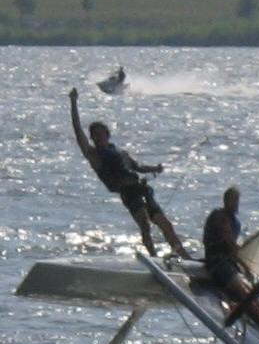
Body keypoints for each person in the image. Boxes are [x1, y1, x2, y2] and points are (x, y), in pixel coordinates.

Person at [69, 87, 188, 258]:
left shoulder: (120, 152)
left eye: (101, 134)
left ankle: (184, 255)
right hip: (128, 193)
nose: (99, 138)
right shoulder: (93, 155)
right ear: (92, 138)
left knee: (165, 224)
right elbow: (77, 129)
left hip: (141, 188)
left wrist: (155, 168)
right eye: (95, 136)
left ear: (107, 135)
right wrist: (73, 103)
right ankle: (154, 256)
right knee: (145, 225)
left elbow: (137, 166)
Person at [203, 187, 259, 335]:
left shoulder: (233, 220)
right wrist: (246, 266)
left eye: (237, 200)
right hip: (217, 263)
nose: (236, 204)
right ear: (226, 200)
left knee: (251, 292)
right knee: (243, 294)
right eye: (233, 200)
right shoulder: (220, 217)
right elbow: (230, 244)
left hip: (229, 263)